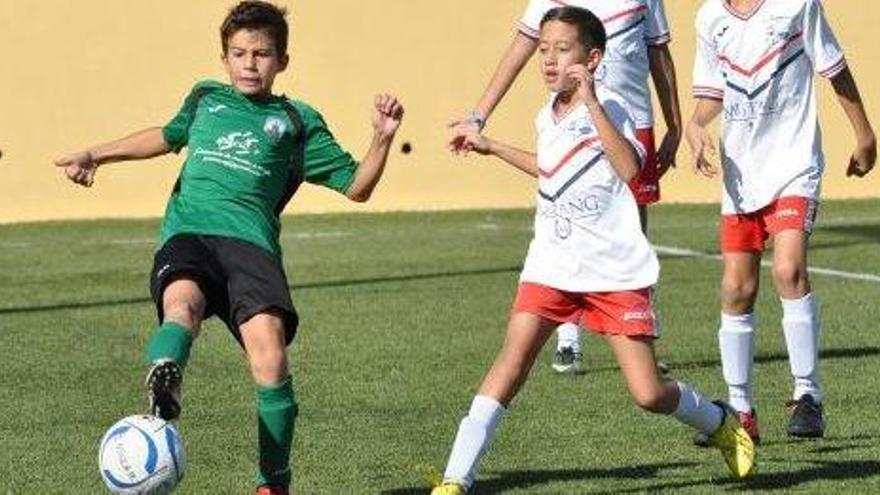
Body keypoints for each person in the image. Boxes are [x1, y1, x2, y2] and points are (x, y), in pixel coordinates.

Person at [54, 2, 404, 493]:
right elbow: (165, 135)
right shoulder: (205, 98)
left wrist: (382, 138)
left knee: (271, 359)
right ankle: (166, 372)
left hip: (251, 247)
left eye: (262, 54)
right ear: (224, 58)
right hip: (190, 231)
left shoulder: (296, 120)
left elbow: (357, 186)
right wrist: (97, 154)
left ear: (283, 60)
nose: (249, 63)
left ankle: (272, 483)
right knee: (182, 306)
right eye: (238, 53)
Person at [431, 7, 755, 494]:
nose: (548, 60)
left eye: (563, 50)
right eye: (544, 50)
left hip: (613, 272)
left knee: (647, 393)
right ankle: (456, 479)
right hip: (552, 264)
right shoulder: (547, 116)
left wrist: (594, 104)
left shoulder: (617, 110)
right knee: (510, 364)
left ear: (593, 58)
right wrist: (491, 145)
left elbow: (631, 170)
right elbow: (550, 167)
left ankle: (717, 420)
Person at [450, 0, 681, 375]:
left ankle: (638, 340)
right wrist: (479, 116)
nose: (551, 55)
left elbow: (659, 52)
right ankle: (569, 341)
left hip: (630, 122)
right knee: (569, 214)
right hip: (576, 117)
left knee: (632, 229)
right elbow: (521, 48)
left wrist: (675, 124)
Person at [687, 0, 876, 445]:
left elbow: (835, 68)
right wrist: (696, 126)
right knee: (737, 288)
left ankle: (807, 394)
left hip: (793, 163)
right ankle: (740, 409)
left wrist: (865, 134)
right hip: (741, 171)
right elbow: (710, 94)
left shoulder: (798, 4)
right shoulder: (709, 16)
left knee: (789, 269)